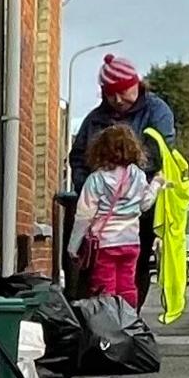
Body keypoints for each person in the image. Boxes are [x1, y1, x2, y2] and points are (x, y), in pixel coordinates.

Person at [58, 52, 178, 290]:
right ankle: (109, 316)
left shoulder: (156, 112)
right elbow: (78, 157)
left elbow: (160, 152)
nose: (118, 98)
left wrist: (129, 184)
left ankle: (126, 317)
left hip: (138, 217)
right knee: (97, 272)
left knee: (134, 271)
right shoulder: (95, 119)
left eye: (123, 90)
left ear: (136, 83)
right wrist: (91, 189)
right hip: (101, 218)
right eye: (110, 93)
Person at [71, 123, 155, 305]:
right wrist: (157, 185)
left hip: (105, 243)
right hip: (131, 241)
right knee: (128, 286)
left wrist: (73, 245)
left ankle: (109, 325)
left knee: (104, 287)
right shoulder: (138, 176)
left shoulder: (96, 179)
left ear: (100, 149)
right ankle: (128, 319)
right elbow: (146, 204)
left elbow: (84, 215)